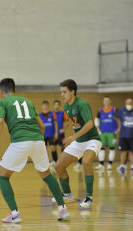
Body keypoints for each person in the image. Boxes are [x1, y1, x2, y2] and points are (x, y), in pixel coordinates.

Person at [0, 78, 69, 223]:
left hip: (21, 141)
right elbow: (42, 126)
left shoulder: (2, 102)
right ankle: (62, 209)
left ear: (1, 92)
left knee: (1, 177)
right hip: (38, 140)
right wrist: (35, 145)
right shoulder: (27, 101)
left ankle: (14, 214)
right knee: (46, 175)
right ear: (14, 90)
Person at [53, 79, 101, 208]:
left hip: (92, 140)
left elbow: (90, 124)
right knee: (58, 166)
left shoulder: (82, 103)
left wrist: (74, 137)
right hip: (79, 141)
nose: (62, 95)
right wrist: (73, 138)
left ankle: (89, 197)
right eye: (61, 92)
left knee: (86, 162)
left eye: (64, 92)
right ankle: (67, 193)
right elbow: (77, 125)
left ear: (72, 92)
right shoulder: (67, 107)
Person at [94, 96, 118, 171]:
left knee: (112, 148)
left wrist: (118, 129)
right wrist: (98, 129)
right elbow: (96, 119)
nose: (106, 102)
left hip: (112, 133)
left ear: (110, 101)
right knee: (101, 148)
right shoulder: (100, 110)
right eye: (105, 100)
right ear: (103, 102)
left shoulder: (114, 109)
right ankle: (101, 164)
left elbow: (120, 119)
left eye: (108, 100)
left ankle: (110, 165)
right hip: (103, 132)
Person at [114, 98, 133, 175]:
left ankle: (132, 166)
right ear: (125, 104)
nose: (129, 104)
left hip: (132, 136)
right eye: (127, 103)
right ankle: (122, 166)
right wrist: (119, 123)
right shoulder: (121, 111)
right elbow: (114, 115)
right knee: (123, 152)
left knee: (132, 152)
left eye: (130, 103)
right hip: (123, 136)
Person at [39, 101, 58, 165]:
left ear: (48, 106)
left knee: (53, 147)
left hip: (51, 134)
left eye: (46, 105)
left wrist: (56, 133)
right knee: (44, 149)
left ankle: (55, 161)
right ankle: (45, 162)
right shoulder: (40, 115)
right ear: (42, 106)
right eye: (44, 105)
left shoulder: (53, 114)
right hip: (43, 135)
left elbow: (56, 124)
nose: (45, 106)